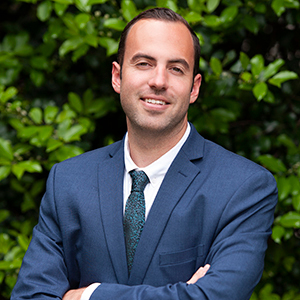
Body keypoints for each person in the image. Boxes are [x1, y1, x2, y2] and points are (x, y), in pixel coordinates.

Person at [11, 7, 278, 300]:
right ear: (117, 76)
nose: (159, 81)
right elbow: (30, 296)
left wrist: (88, 296)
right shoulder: (68, 181)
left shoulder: (244, 187)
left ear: (194, 87)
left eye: (176, 68)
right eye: (144, 63)